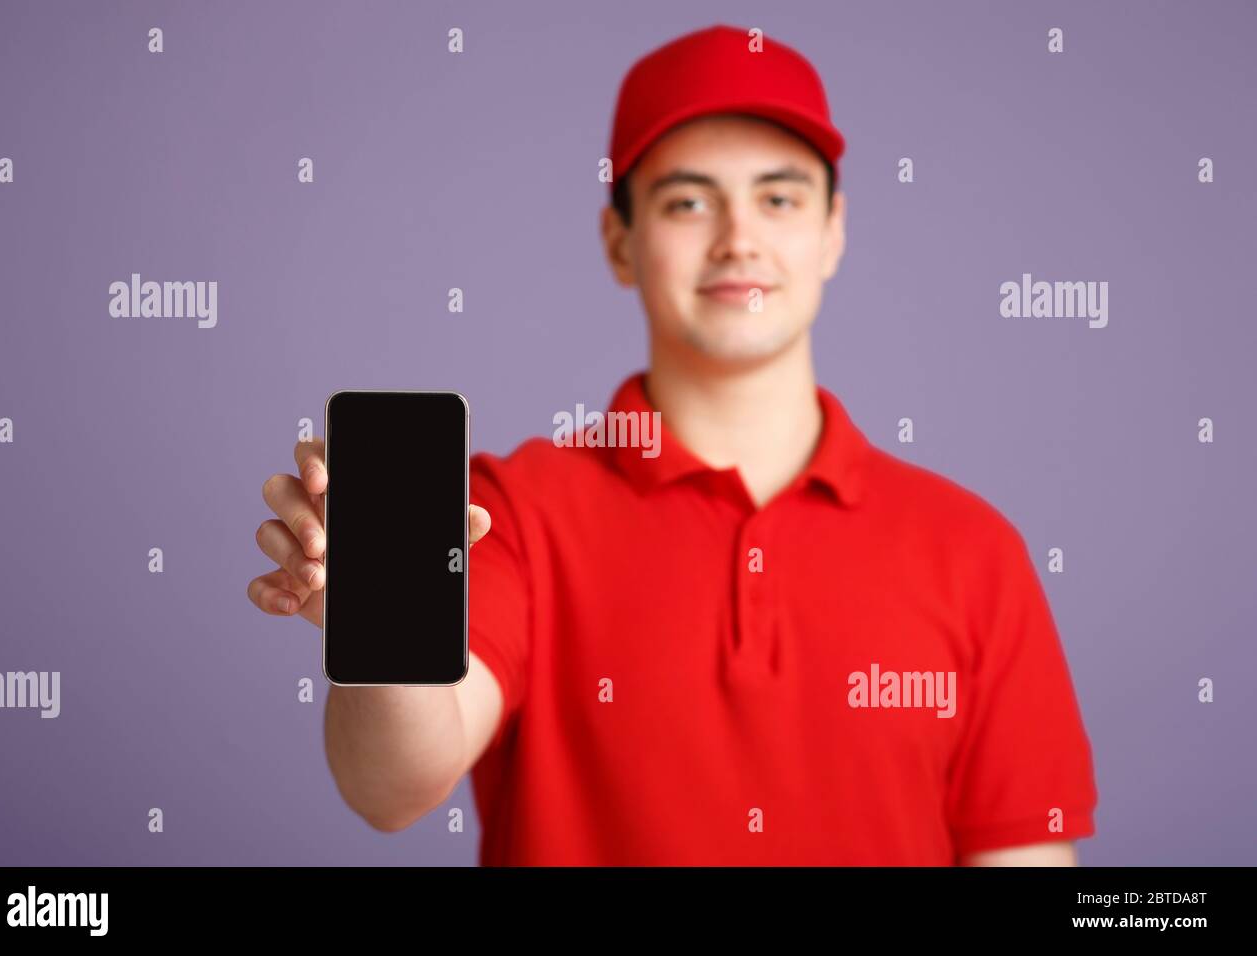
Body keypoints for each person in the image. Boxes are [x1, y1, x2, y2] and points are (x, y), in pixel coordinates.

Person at [248, 23, 1097, 866]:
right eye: (687, 201)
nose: (738, 238)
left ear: (832, 231)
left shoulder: (973, 549)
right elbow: (392, 789)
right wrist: (378, 634)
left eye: (780, 197)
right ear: (621, 242)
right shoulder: (509, 510)